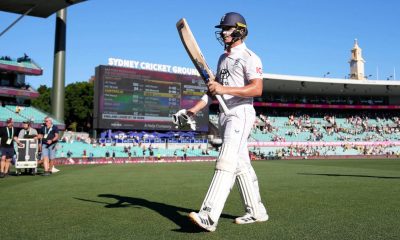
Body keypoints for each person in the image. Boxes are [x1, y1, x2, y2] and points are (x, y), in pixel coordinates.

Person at [182, 12, 269, 231]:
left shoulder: (250, 57)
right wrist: (192, 111)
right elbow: (213, 91)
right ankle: (257, 211)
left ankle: (209, 216)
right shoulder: (222, 58)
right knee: (241, 165)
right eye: (222, 29)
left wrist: (224, 89)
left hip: (240, 113)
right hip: (224, 114)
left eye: (227, 29)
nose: (223, 32)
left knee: (226, 161)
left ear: (240, 30)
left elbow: (257, 89)